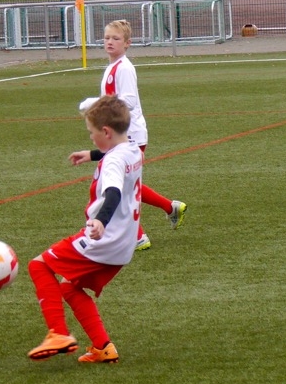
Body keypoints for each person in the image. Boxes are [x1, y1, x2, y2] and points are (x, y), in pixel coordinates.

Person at [27, 96, 141, 363]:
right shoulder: (133, 148)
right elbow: (115, 153)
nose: (90, 137)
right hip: (125, 243)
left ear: (106, 132)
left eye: (91, 133)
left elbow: (112, 193)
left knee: (39, 266)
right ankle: (103, 347)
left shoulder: (112, 163)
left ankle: (58, 333)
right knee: (69, 287)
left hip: (104, 239)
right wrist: (91, 154)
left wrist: (101, 221)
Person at [71, 19, 186, 251]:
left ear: (127, 43)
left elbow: (129, 101)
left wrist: (95, 102)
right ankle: (169, 208)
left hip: (129, 135)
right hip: (120, 134)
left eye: (116, 38)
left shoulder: (124, 68)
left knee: (118, 185)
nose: (110, 42)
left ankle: (138, 236)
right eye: (107, 38)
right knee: (125, 183)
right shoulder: (113, 66)